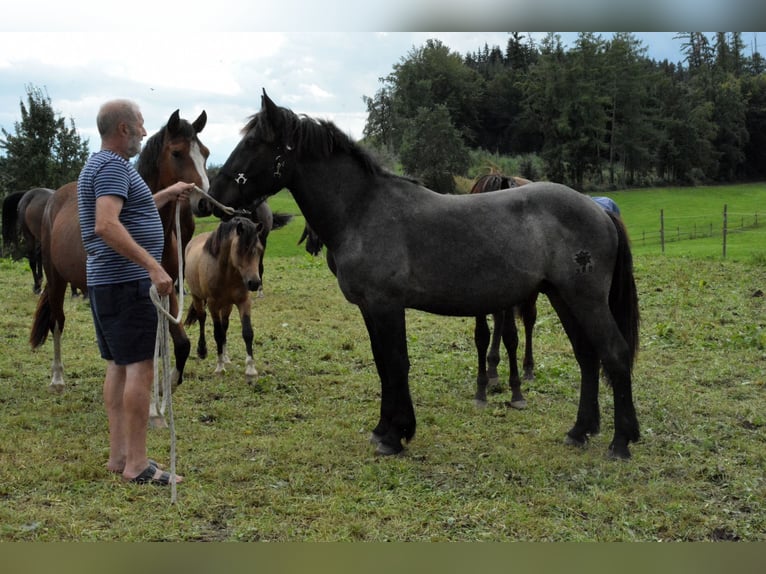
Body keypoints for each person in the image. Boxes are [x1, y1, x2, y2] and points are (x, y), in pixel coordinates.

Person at [78, 99, 194, 485]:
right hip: (128, 284)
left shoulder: (99, 165)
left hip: (106, 282)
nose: (145, 132)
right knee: (141, 369)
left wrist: (166, 192)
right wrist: (153, 266)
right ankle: (138, 465)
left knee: (118, 366)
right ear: (124, 129)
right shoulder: (113, 167)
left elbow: (130, 211)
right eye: (141, 125)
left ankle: (119, 457)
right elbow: (107, 225)